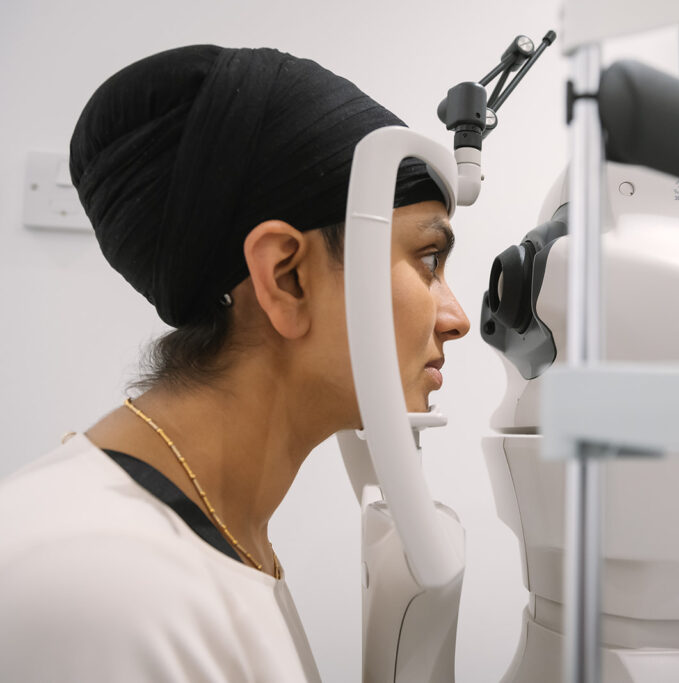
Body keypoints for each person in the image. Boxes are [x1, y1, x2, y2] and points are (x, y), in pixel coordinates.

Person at [0, 45, 470, 681]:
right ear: (286, 277)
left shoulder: (217, 541)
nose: (457, 318)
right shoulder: (99, 592)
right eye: (428, 259)